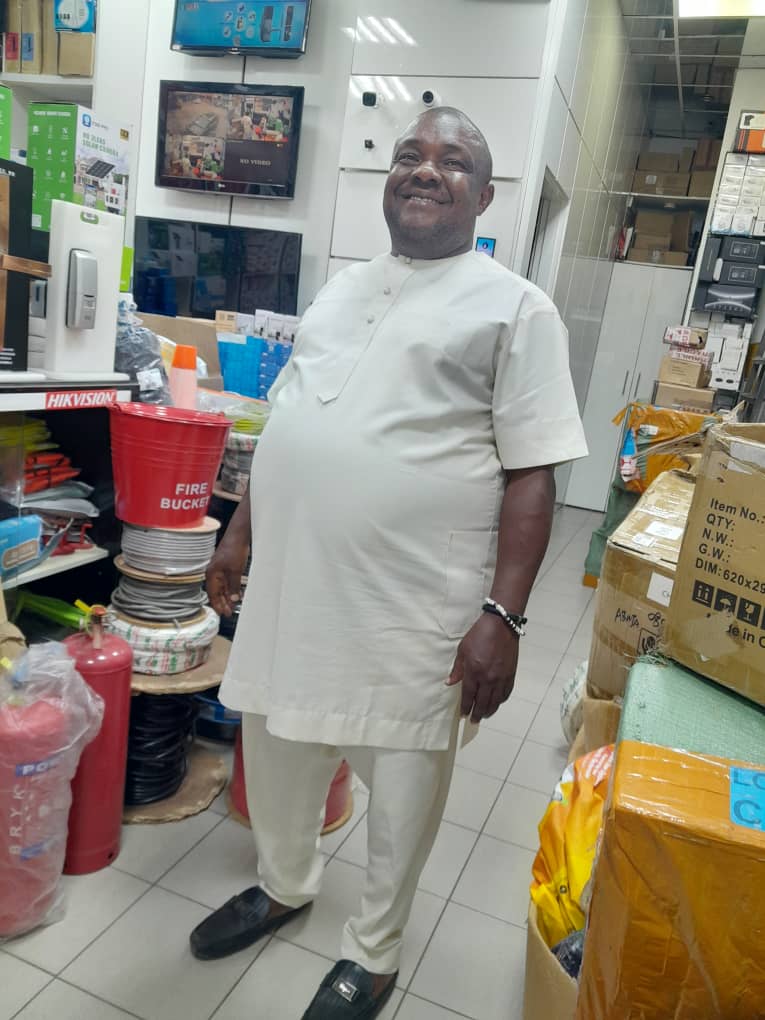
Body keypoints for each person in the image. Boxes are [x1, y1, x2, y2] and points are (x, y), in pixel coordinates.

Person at [191, 107, 587, 1019]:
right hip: (294, 587)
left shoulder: (516, 308)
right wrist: (240, 532)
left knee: (403, 784)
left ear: (483, 195)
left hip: (413, 606)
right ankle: (284, 884)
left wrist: (503, 617)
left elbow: (532, 474)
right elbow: (291, 418)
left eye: (453, 160)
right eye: (409, 154)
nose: (425, 169)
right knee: (278, 749)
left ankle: (371, 955)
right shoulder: (340, 288)